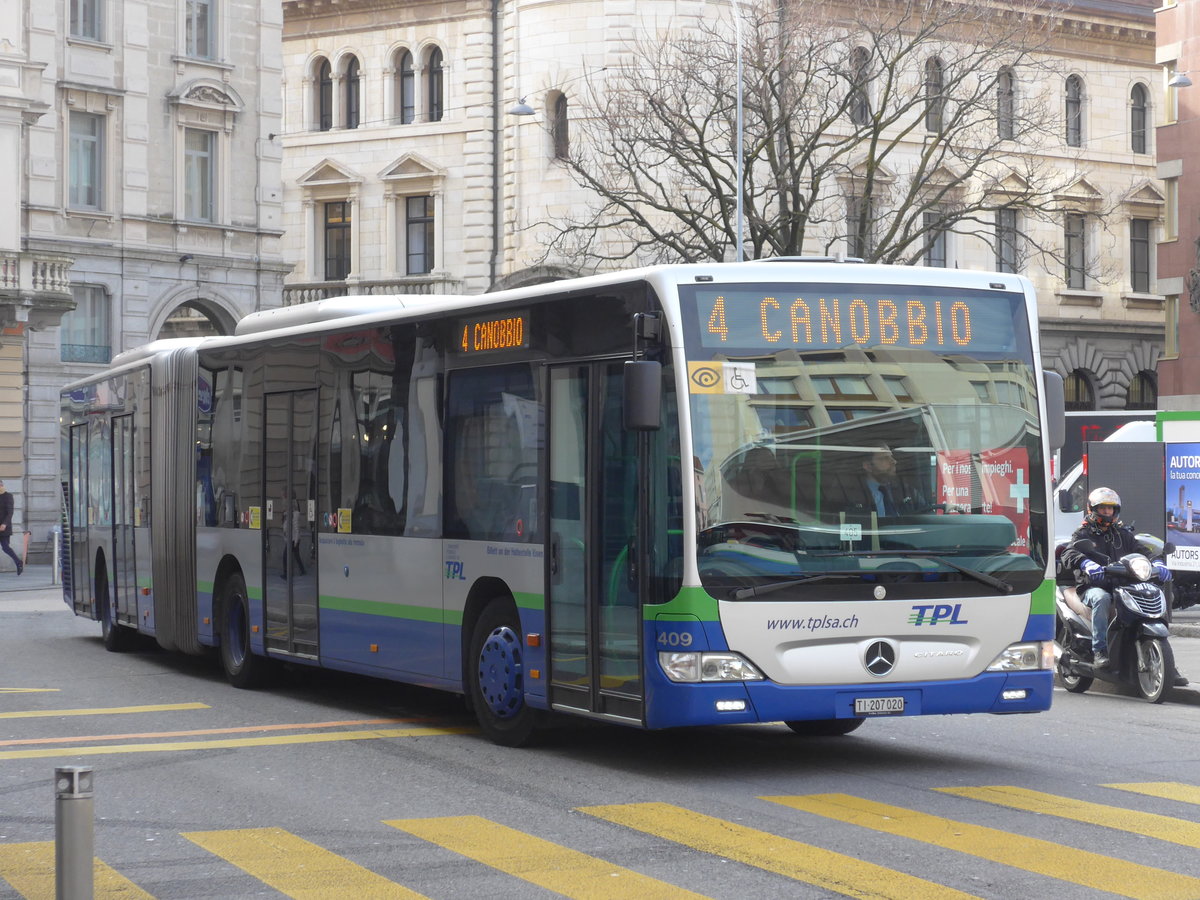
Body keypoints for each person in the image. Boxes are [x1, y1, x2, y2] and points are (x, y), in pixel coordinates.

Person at [1060, 487, 1185, 685]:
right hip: (1094, 585)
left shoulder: (1122, 533)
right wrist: (1087, 563)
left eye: (1111, 509)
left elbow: (1141, 550)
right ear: (1093, 509)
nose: (1107, 513)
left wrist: (1157, 562)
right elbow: (1069, 553)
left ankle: (1167, 664)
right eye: (1103, 509)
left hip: (1123, 584)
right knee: (1102, 599)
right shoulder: (1083, 533)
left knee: (1153, 594)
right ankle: (1100, 650)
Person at [0, 479, 23, 575]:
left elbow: (10, 512)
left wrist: (4, 524)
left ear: (1, 485)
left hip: (4, 527)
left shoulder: (8, 496)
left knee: (5, 547)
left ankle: (18, 562)